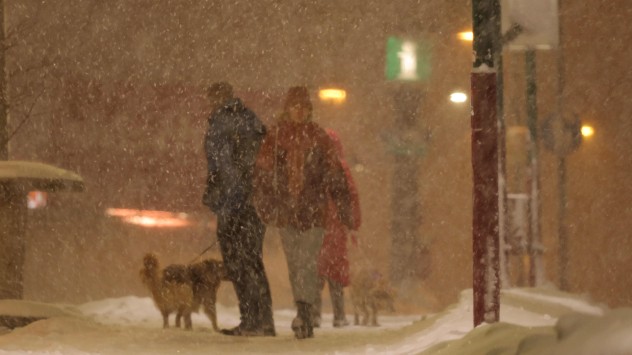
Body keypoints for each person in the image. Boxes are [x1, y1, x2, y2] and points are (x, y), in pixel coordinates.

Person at [253, 86, 355, 339]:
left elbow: (335, 174)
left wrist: (343, 208)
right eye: (295, 107)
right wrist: (266, 203)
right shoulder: (276, 137)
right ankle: (303, 308)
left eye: (304, 107)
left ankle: (306, 312)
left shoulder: (318, 137)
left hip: (313, 212)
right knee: (296, 265)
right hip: (287, 213)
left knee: (308, 264)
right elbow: (263, 175)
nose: (299, 112)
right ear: (288, 109)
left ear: (309, 110)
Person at [202, 81, 275, 337]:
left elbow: (223, 167)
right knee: (251, 261)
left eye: (212, 97)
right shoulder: (248, 119)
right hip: (252, 202)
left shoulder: (225, 122)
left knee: (239, 263)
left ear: (218, 97)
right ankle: (262, 320)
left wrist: (224, 197)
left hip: (238, 203)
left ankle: (253, 321)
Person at [312, 128, 362, 328]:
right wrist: (353, 224)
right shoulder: (342, 169)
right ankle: (338, 315)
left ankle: (315, 314)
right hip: (336, 227)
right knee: (336, 272)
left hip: (319, 225)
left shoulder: (313, 167)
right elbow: (352, 197)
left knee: (317, 271)